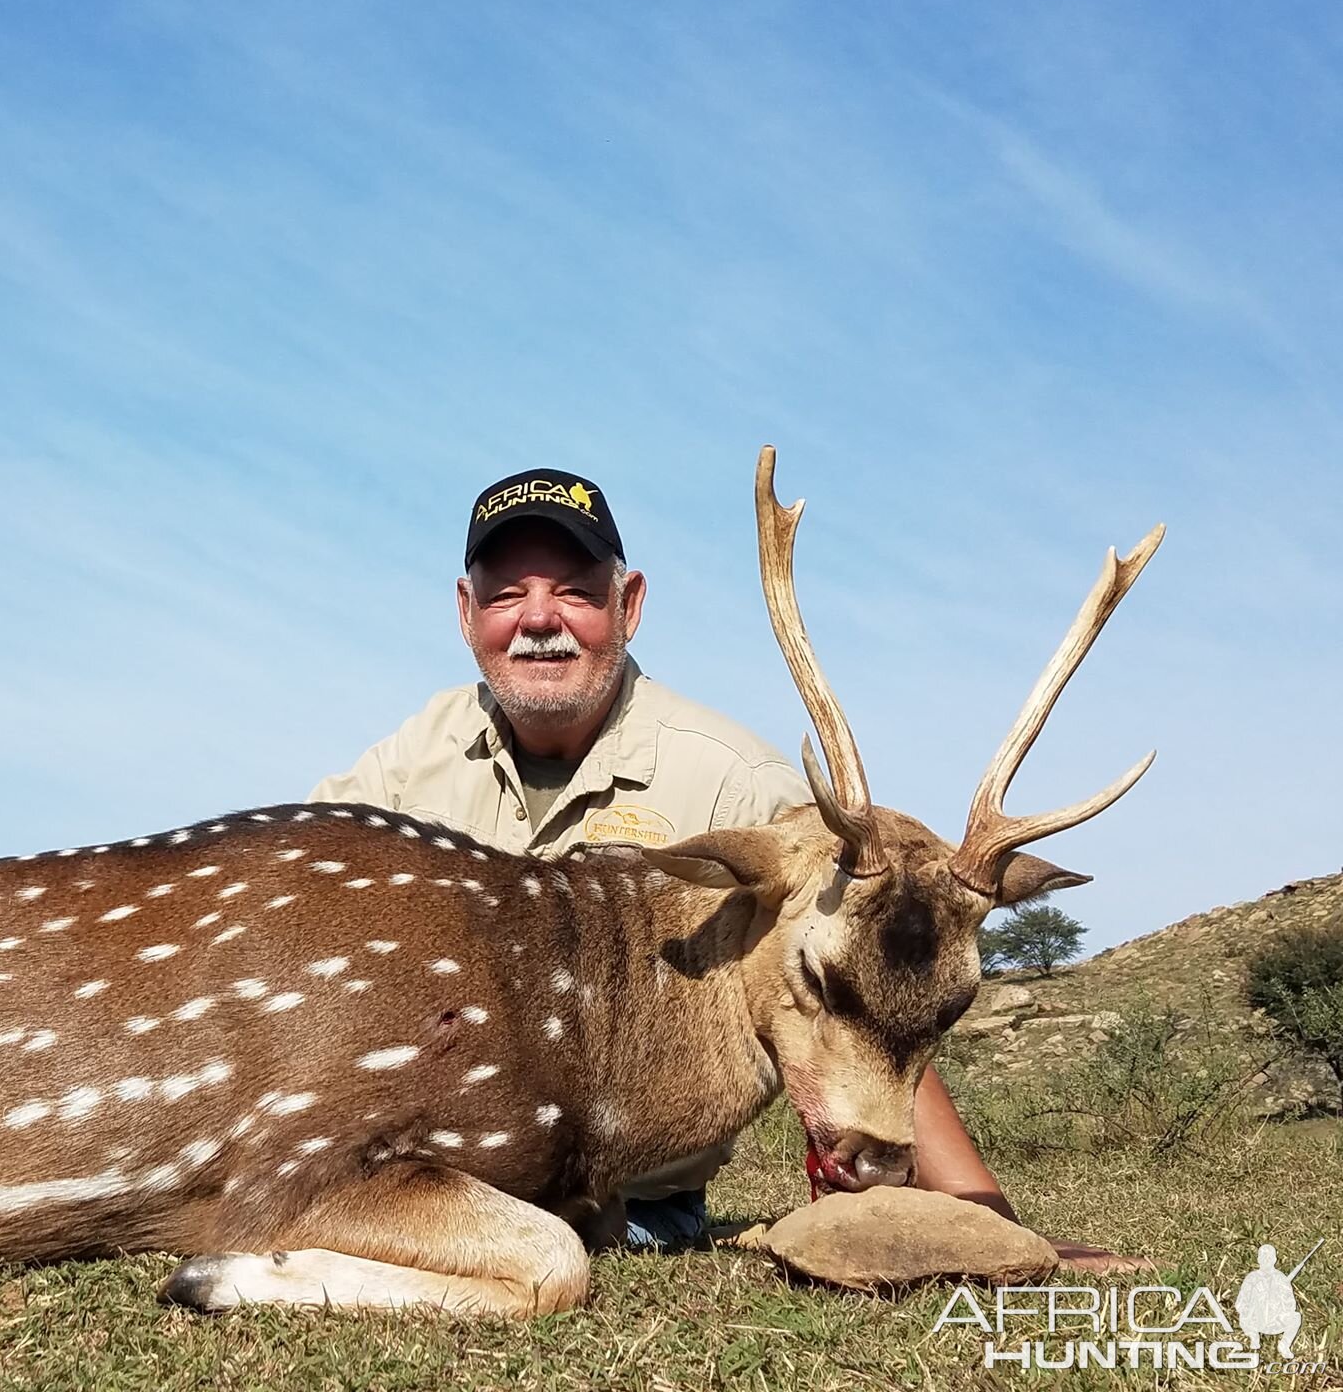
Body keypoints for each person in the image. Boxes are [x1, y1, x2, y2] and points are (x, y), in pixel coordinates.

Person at [311, 466, 1148, 1269]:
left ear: (628, 603)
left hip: (630, 1205)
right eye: (506, 593)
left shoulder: (741, 787)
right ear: (467, 614)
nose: (539, 618)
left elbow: (864, 981)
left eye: (574, 589)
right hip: (405, 1181)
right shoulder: (404, 765)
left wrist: (975, 1207)